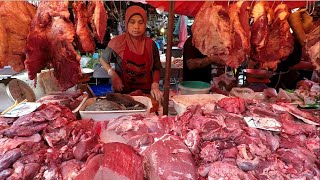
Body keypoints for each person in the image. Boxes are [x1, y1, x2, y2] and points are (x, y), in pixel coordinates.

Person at [99, 6, 163, 101]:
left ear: (145, 24)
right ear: (126, 23)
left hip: (146, 94)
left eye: (140, 23)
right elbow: (102, 59)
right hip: (123, 94)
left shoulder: (151, 44)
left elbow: (156, 68)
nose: (136, 27)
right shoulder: (117, 42)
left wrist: (155, 84)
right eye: (132, 22)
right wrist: (112, 74)